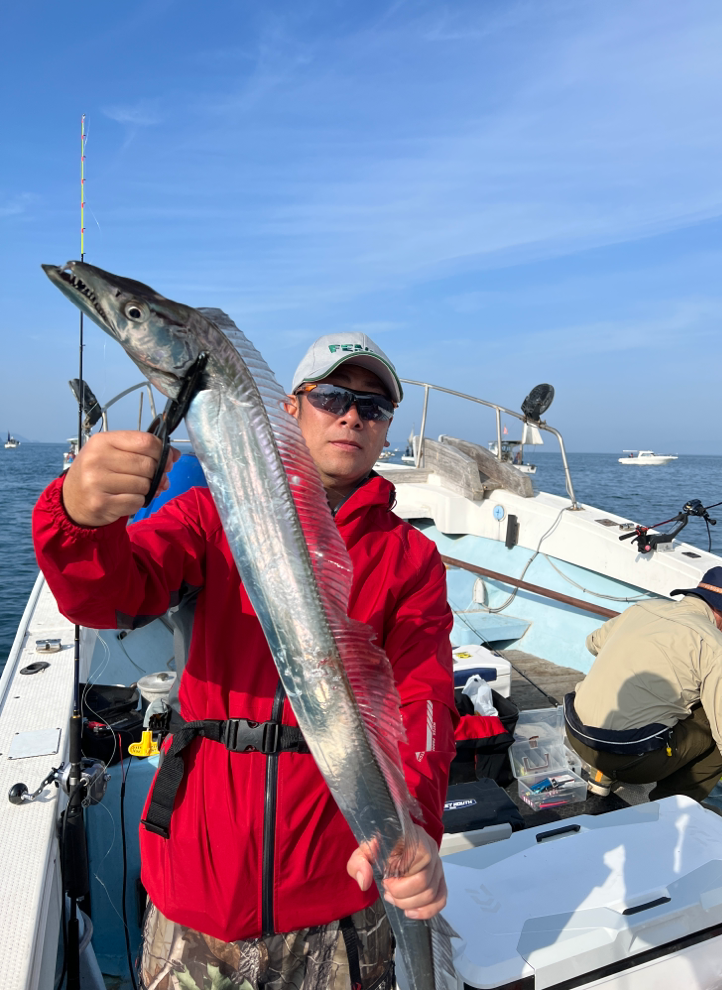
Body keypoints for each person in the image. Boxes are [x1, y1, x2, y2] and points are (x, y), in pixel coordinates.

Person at [33, 332, 457, 990]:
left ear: (386, 431)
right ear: (290, 410)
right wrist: (78, 515)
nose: (352, 415)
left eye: (373, 408)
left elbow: (424, 703)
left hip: (342, 902)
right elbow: (107, 595)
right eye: (333, 397)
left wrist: (421, 827)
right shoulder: (210, 515)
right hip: (197, 896)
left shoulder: (411, 560)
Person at [565, 566, 722, 802]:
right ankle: (672, 807)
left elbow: (593, 643)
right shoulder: (716, 647)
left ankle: (602, 775)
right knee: (719, 723)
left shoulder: (642, 609)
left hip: (577, 734)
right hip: (630, 760)